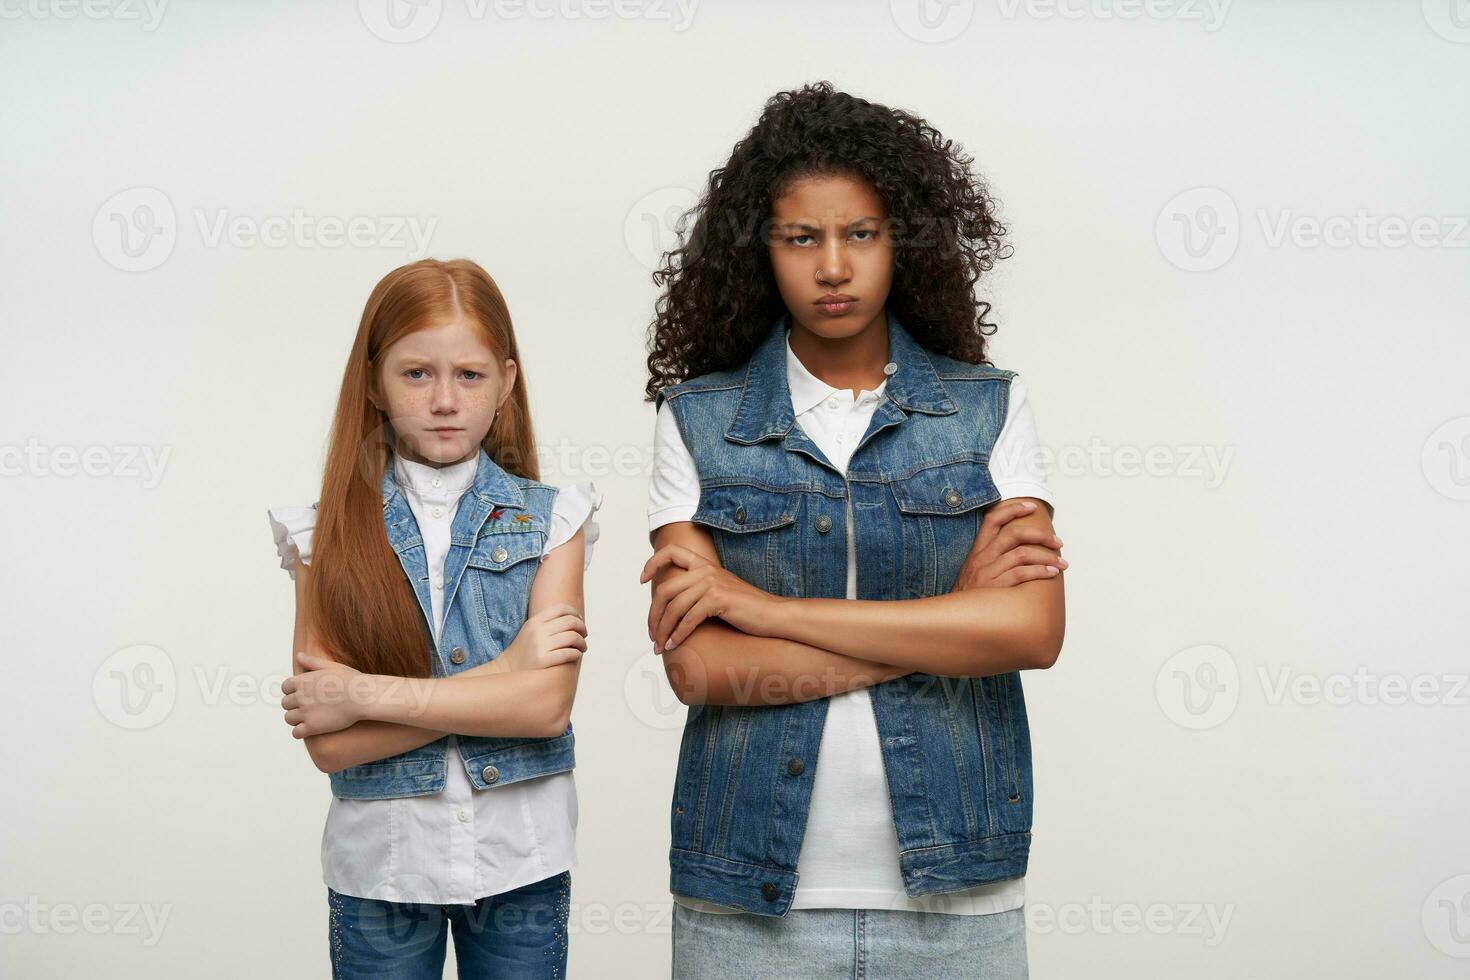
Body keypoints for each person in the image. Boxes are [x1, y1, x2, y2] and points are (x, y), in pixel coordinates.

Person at [642, 82, 1065, 978]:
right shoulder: (698, 421)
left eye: (860, 235)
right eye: (802, 238)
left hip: (958, 896)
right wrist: (952, 619)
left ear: (900, 243)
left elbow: (1031, 630)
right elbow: (705, 670)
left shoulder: (989, 409)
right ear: (762, 251)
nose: (832, 267)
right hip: (745, 899)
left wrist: (759, 606)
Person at [269, 258, 600, 979]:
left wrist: (363, 695)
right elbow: (329, 745)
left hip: (522, 860)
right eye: (417, 373)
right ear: (374, 384)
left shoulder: (554, 522)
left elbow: (545, 708)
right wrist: (503, 676)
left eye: (470, 376)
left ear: (506, 382)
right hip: (379, 865)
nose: (445, 400)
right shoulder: (320, 536)